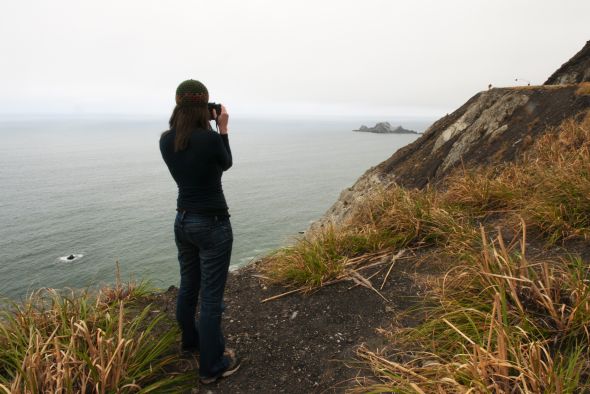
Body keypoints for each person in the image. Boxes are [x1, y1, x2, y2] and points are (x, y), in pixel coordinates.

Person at [159, 79, 239, 384]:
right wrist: (223, 129)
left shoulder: (166, 140)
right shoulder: (209, 139)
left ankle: (190, 342)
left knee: (188, 286)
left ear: (178, 105)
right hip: (212, 223)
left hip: (183, 221)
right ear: (204, 107)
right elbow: (226, 163)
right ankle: (211, 366)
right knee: (211, 299)